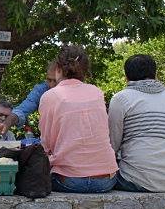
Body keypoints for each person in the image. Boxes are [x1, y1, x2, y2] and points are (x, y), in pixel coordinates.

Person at [39, 45, 117, 193]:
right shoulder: (97, 92)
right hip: (106, 180)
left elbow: (46, 143)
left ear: (58, 69)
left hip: (69, 180)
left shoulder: (50, 96)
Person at [108, 54, 165, 192]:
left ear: (126, 76)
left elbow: (112, 145)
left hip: (136, 181)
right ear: (155, 74)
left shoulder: (121, 99)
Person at [4, 61, 59, 129]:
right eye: (49, 80)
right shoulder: (41, 89)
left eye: (56, 81)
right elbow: (23, 109)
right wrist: (7, 123)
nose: (51, 85)